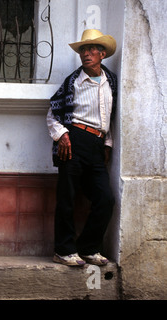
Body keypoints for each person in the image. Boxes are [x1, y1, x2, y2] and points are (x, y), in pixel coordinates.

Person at [46, 29, 118, 267]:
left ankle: (88, 247)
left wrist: (107, 144)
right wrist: (62, 135)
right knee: (67, 196)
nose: (86, 54)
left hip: (96, 145)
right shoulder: (73, 82)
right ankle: (64, 250)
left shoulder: (111, 82)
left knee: (105, 199)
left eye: (91, 50)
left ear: (102, 54)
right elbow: (53, 114)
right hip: (74, 141)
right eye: (83, 50)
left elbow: (110, 117)